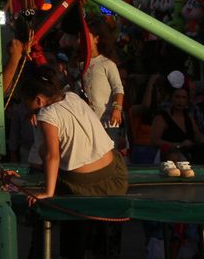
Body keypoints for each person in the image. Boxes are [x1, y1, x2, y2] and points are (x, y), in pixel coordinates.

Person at [20, 65, 126, 259]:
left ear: (38, 100)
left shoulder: (47, 115)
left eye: (27, 104)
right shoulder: (72, 97)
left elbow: (52, 156)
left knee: (55, 179)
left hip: (85, 185)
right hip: (114, 174)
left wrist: (48, 192)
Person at [150, 84, 204, 176]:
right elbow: (154, 141)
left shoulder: (188, 116)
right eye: (177, 97)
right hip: (167, 160)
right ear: (171, 98)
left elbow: (198, 135)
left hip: (187, 160)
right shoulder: (162, 116)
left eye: (184, 97)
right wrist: (179, 145)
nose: (180, 101)